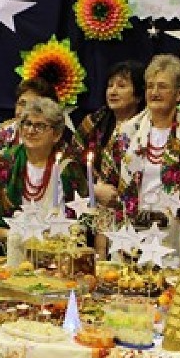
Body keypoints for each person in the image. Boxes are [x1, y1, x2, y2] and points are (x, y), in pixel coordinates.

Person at [99, 54, 180, 258]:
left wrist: (164, 218)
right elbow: (108, 183)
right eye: (150, 86)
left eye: (162, 86)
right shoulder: (126, 132)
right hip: (128, 235)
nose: (154, 92)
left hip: (173, 234)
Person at [0, 96, 87, 244]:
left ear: (57, 134)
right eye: (27, 124)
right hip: (11, 252)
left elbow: (83, 220)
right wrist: (14, 236)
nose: (31, 131)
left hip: (57, 251)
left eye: (40, 126)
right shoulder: (3, 163)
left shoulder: (69, 168)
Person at [73, 60, 145, 255]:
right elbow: (70, 164)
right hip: (92, 211)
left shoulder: (146, 127)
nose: (113, 91)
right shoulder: (93, 122)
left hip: (133, 216)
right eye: (110, 85)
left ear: (138, 94)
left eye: (122, 86)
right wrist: (93, 189)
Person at [0, 77, 58, 161]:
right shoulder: (3, 133)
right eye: (22, 103)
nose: (24, 111)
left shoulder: (55, 139)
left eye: (33, 106)